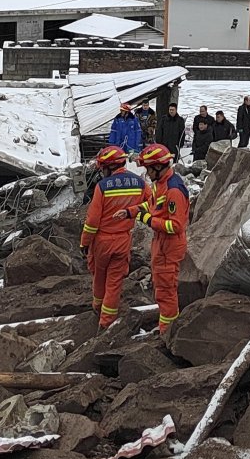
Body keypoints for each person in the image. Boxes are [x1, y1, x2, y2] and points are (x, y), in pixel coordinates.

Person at [79, 146, 147, 328]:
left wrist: (84, 243)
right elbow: (151, 203)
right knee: (115, 281)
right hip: (123, 239)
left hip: (102, 241)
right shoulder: (139, 183)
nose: (101, 171)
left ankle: (97, 307)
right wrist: (133, 212)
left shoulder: (102, 187)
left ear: (109, 167)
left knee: (99, 275)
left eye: (102, 168)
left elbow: (92, 221)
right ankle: (107, 322)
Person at [136, 143, 190, 334]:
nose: (147, 173)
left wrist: (149, 220)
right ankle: (166, 327)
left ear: (158, 166)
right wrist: (132, 211)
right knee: (161, 288)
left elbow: (175, 226)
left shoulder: (173, 190)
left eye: (149, 169)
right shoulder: (161, 184)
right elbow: (152, 204)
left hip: (169, 246)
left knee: (166, 291)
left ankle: (168, 333)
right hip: (162, 244)